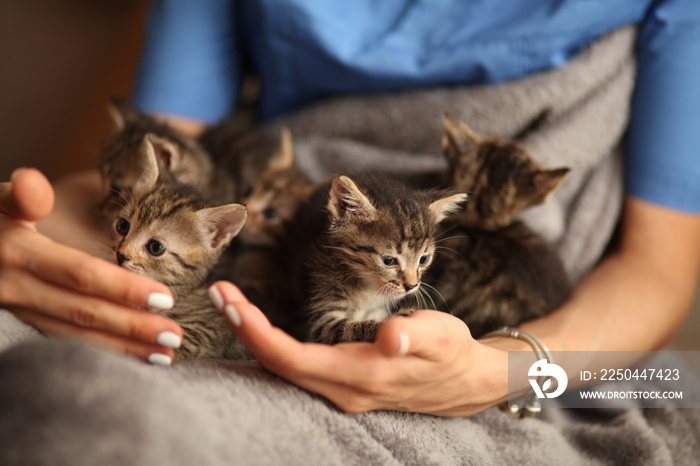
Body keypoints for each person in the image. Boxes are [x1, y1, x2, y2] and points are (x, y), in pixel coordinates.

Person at [1, 0, 699, 417]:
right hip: (276, 233)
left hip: (527, 336)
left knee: (104, 421)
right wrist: (28, 237)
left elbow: (659, 271)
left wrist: (504, 373)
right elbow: (154, 179)